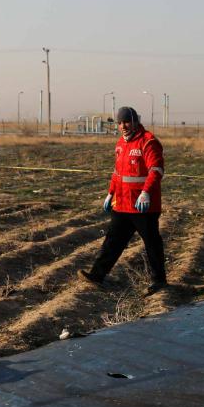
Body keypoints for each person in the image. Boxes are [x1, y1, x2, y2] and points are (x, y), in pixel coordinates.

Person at [79, 106, 167, 296]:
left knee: (152, 243)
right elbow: (118, 173)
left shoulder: (148, 142)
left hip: (144, 206)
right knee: (113, 241)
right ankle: (97, 275)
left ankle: (159, 281)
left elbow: (156, 170)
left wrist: (146, 193)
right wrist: (110, 193)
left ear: (135, 121)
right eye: (119, 123)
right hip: (123, 204)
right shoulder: (120, 144)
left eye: (126, 122)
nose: (123, 126)